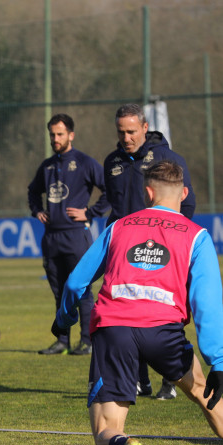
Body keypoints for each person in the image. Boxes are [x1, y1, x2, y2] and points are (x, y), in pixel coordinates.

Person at [52, 161, 223, 445]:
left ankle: (124, 444)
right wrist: (218, 361)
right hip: (164, 332)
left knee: (106, 428)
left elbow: (76, 282)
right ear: (183, 193)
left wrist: (65, 318)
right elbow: (207, 303)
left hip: (113, 331)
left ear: (147, 192)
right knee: (204, 392)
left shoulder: (118, 226)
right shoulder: (197, 236)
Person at [104, 103, 196, 400]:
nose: (126, 137)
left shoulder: (168, 159)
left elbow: (188, 205)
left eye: (131, 131)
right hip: (124, 253)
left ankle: (171, 378)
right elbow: (114, 206)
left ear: (145, 128)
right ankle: (139, 380)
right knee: (127, 313)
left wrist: (171, 239)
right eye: (121, 131)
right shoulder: (112, 161)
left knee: (165, 313)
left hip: (160, 252)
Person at [28, 113, 108, 356]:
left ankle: (87, 340)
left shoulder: (84, 162)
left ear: (71, 135)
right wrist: (37, 211)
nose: (55, 138)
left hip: (76, 236)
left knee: (81, 290)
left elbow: (109, 190)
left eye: (60, 134)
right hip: (52, 238)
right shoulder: (48, 165)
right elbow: (33, 191)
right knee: (59, 291)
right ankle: (61, 340)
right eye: (52, 134)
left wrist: (91, 212)